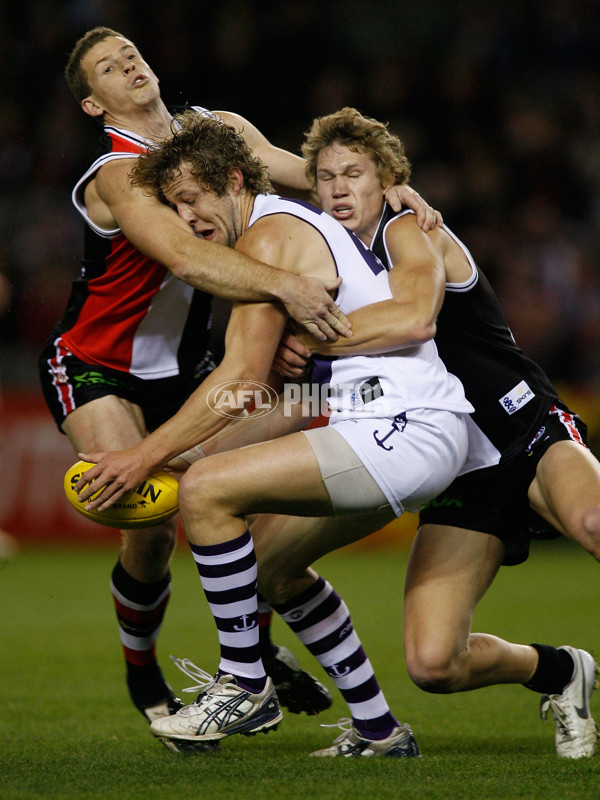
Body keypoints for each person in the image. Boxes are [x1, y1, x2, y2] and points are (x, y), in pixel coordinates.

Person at [39, 27, 440, 749]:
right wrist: (289, 291)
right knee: (155, 518)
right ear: (94, 104)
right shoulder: (115, 172)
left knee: (230, 502)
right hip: (101, 363)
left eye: (130, 50)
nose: (127, 62)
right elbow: (191, 258)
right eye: (106, 66)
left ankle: (254, 672)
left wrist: (386, 186)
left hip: (198, 368)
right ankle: (147, 673)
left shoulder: (217, 134)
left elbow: (305, 177)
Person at [272, 106, 600, 759]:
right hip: (457, 466)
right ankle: (565, 673)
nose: (338, 187)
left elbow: (417, 318)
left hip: (521, 425)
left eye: (355, 173)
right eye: (326, 176)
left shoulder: (408, 227)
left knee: (593, 524)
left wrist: (309, 341)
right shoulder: (330, 265)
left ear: (389, 178)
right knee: (433, 664)